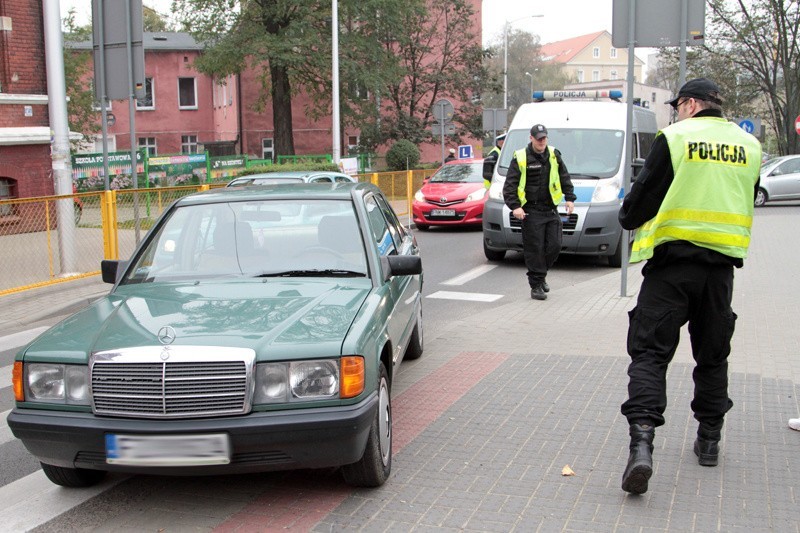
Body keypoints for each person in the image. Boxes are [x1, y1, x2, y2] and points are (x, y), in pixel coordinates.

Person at [618, 78, 762, 495]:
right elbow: (745, 197)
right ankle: (709, 440)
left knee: (649, 354)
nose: (675, 112)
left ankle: (642, 445)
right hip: (720, 273)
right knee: (713, 356)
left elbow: (638, 205)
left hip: (670, 269)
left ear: (692, 104)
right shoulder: (748, 146)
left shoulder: (676, 138)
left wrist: (630, 215)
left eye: (677, 105)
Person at [502, 124, 575, 300]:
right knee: (535, 249)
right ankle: (536, 286)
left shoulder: (554, 154)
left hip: (550, 209)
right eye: (538, 138)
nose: (542, 141)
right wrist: (515, 207)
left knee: (555, 246)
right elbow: (510, 185)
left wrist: (570, 198)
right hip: (531, 210)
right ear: (531, 138)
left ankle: (540, 276)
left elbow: (564, 177)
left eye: (544, 138)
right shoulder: (520, 157)